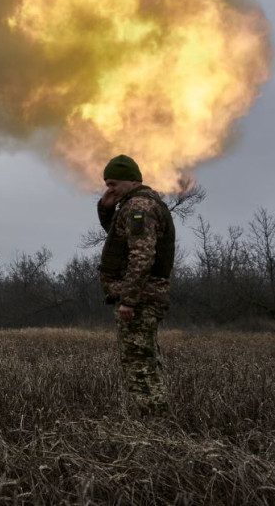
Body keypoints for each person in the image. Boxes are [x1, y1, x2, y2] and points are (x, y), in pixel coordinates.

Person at [97, 154, 176, 415]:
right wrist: (106, 208)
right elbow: (119, 237)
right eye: (107, 184)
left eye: (113, 184)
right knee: (145, 360)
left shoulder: (138, 206)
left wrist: (129, 300)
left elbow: (141, 255)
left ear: (132, 181)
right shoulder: (137, 204)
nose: (109, 188)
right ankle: (158, 420)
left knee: (138, 364)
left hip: (140, 300)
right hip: (146, 296)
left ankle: (156, 426)